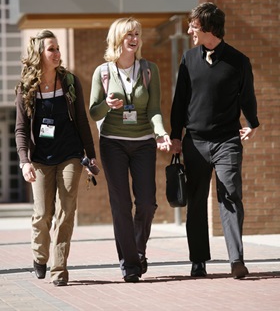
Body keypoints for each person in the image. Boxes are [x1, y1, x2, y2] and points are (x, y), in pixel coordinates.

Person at [170, 2, 259, 279]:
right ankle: (198, 261)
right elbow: (179, 101)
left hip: (227, 141)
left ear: (208, 28)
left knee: (230, 195)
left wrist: (252, 123)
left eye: (193, 26)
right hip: (194, 142)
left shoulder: (239, 61)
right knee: (196, 201)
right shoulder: (188, 59)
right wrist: (175, 135)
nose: (189, 30)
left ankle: (236, 259)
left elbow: (247, 97)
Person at [89, 17, 171, 282]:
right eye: (128, 35)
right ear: (118, 39)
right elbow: (93, 111)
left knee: (147, 203)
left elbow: (155, 109)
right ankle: (130, 264)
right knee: (121, 204)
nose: (134, 38)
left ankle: (137, 249)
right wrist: (108, 106)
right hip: (113, 143)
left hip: (144, 142)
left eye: (137, 34)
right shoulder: (102, 72)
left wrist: (160, 132)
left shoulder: (149, 70)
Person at [15, 29, 97, 287]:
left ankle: (59, 268)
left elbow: (82, 120)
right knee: (42, 213)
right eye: (51, 49)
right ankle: (40, 255)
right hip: (39, 158)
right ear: (39, 53)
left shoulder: (70, 82)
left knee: (66, 210)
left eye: (58, 48)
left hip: (70, 155)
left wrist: (91, 157)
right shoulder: (26, 87)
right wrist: (24, 161)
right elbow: (20, 128)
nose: (57, 53)